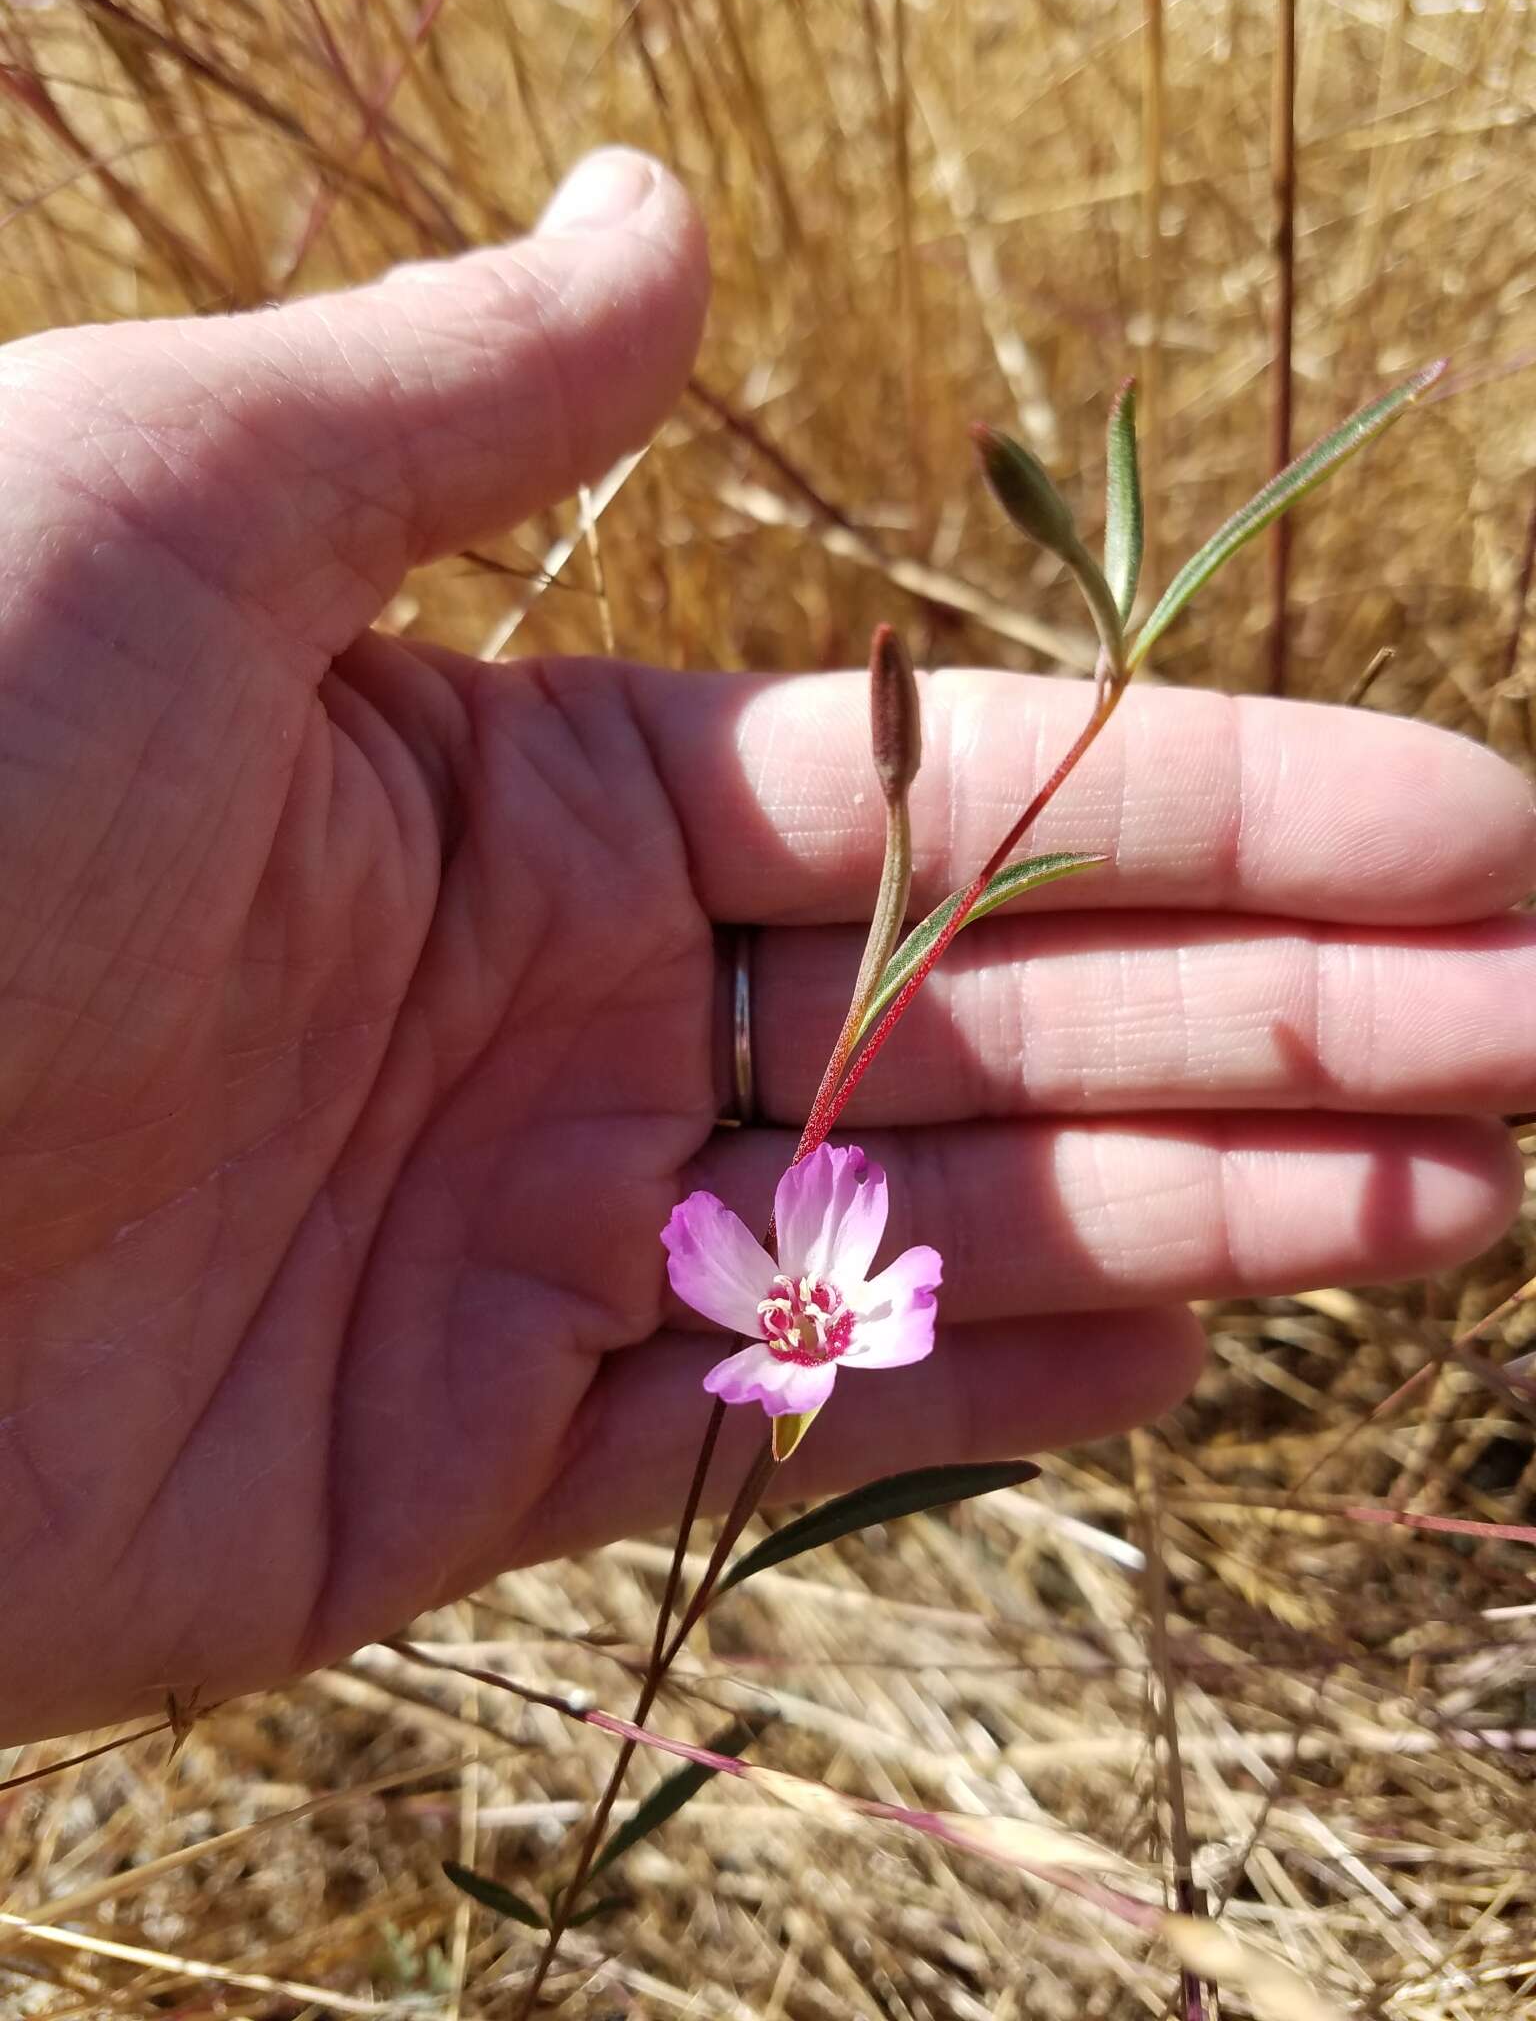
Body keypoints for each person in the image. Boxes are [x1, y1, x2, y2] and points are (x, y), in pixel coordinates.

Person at [0, 148, 1530, 1746]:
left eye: (806, 1320)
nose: (802, 1325)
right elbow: (805, 1292)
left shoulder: (799, 1303)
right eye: (796, 1319)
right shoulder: (771, 1318)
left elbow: (834, 1276)